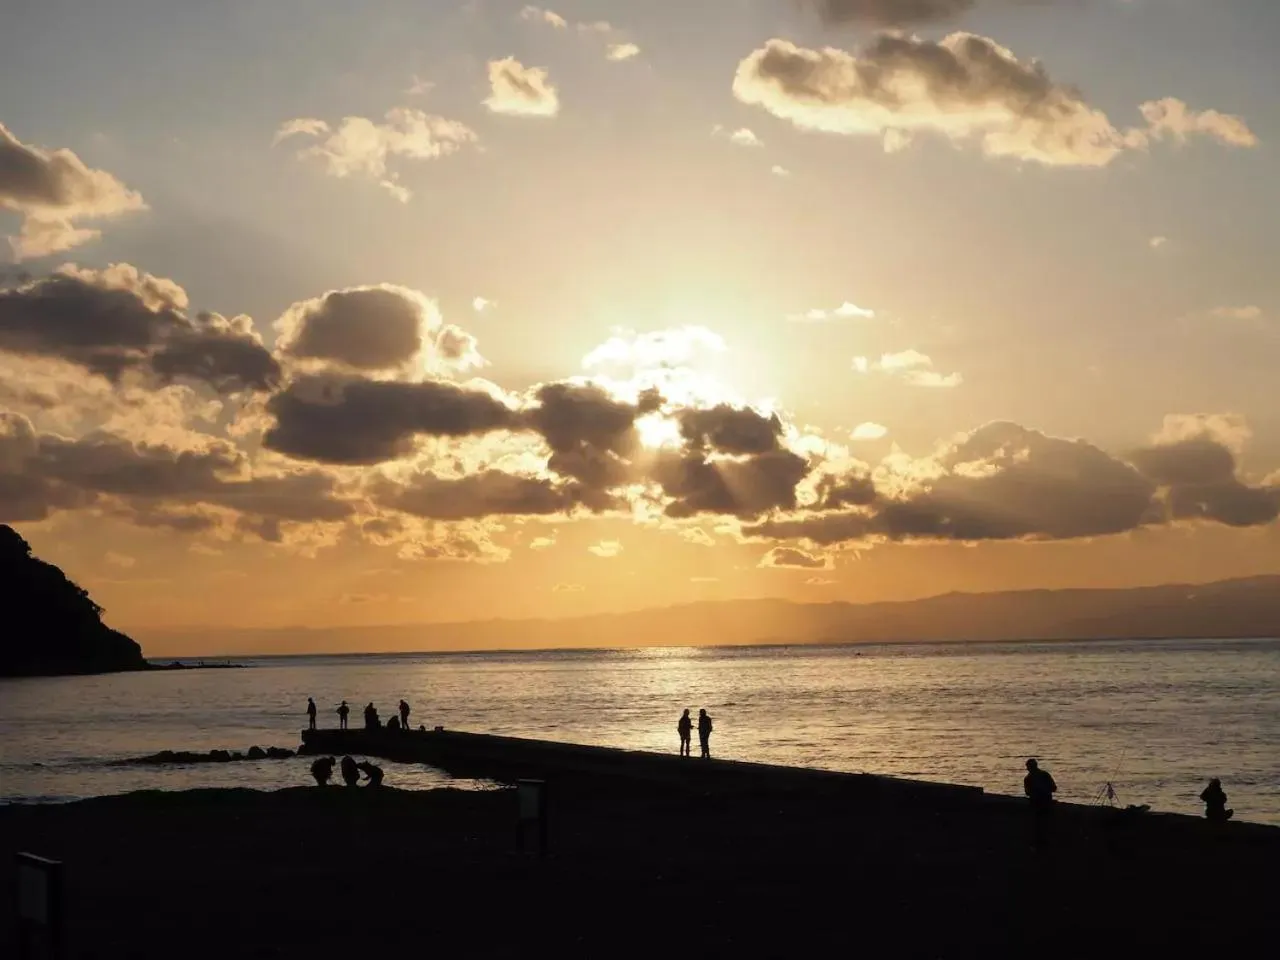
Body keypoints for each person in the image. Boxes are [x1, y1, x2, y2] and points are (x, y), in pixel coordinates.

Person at [1023, 758, 1057, 848]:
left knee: (1037, 824)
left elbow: (1027, 792)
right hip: (1046, 801)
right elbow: (1054, 788)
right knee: (1045, 822)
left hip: (1035, 803)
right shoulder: (1045, 775)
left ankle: (1038, 841)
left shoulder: (1028, 778)